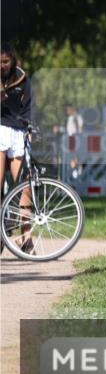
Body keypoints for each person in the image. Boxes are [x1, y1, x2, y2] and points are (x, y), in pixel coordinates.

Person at [1, 45, 33, 252]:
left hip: (18, 132)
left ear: (12, 60)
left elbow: (29, 106)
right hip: (0, 129)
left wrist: (30, 127)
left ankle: (26, 239)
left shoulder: (22, 78)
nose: (2, 66)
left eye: (5, 62)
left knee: (25, 187)